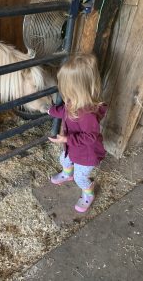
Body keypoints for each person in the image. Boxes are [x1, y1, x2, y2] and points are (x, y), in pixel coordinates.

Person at [48, 53, 107, 213]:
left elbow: (90, 137)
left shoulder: (88, 114)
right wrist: (50, 110)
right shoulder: (74, 101)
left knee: (81, 178)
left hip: (86, 154)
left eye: (65, 87)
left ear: (77, 89)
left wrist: (67, 138)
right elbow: (65, 112)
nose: (63, 91)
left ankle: (88, 193)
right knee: (64, 159)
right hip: (73, 147)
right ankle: (67, 174)